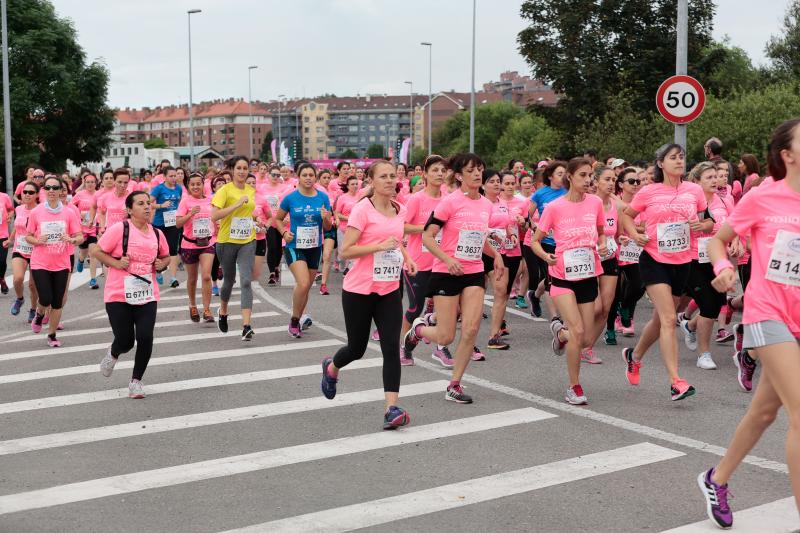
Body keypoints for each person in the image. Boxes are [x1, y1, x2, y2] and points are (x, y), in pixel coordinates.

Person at [697, 118, 800, 528]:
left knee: (763, 413)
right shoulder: (762, 197)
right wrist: (722, 268)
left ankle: (715, 478)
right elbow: (717, 240)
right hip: (766, 312)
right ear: (788, 155)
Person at [320, 160, 417, 429]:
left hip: (389, 289)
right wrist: (377, 246)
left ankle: (391, 408)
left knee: (390, 349)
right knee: (357, 348)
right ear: (371, 181)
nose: (389, 180)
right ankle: (332, 367)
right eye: (383, 176)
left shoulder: (401, 209)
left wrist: (407, 257)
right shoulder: (362, 210)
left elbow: (396, 239)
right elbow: (346, 251)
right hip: (359, 290)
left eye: (392, 176)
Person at [403, 153, 502, 404]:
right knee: (446, 336)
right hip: (446, 272)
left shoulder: (486, 205)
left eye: (480, 169)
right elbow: (427, 236)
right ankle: (419, 330)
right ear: (459, 176)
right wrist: (447, 260)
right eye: (471, 170)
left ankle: (454, 384)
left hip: (473, 272)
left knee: (470, 329)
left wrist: (497, 255)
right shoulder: (450, 202)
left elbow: (478, 239)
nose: (478, 174)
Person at [620, 143, 710, 401]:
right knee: (670, 319)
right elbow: (627, 215)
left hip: (683, 261)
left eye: (682, 157)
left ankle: (634, 356)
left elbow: (709, 221)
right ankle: (676, 381)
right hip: (654, 259)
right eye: (673, 158)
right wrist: (635, 234)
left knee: (662, 320)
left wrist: (700, 225)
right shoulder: (648, 192)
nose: (679, 161)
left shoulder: (694, 191)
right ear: (661, 163)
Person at [532, 158, 606, 404]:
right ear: (570, 177)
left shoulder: (595, 203)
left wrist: (603, 245)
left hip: (587, 274)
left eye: (590, 176)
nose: (588, 180)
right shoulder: (554, 207)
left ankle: (560, 335)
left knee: (583, 338)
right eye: (583, 175)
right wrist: (546, 256)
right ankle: (574, 387)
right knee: (578, 330)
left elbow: (602, 232)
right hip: (562, 276)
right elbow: (535, 240)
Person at [94, 191, 169, 399]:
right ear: (129, 209)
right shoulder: (120, 229)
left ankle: (136, 381)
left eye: (148, 203)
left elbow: (165, 257)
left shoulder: (157, 234)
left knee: (145, 337)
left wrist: (162, 264)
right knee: (126, 340)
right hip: (119, 294)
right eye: (141, 204)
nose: (147, 207)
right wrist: (117, 263)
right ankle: (113, 353)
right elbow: (97, 251)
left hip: (146, 294)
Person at [678, 162, 733, 370]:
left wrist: (735, 241)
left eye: (716, 176)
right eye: (709, 177)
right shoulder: (690, 202)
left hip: (716, 260)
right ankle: (704, 354)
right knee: (708, 304)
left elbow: (733, 225)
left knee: (715, 304)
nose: (715, 180)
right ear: (696, 181)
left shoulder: (723, 201)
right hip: (693, 259)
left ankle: (690, 325)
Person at [275, 162, 333, 337]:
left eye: (311, 175)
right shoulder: (290, 198)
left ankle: (298, 319)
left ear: (315, 177)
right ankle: (294, 319)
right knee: (303, 282)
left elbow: (329, 226)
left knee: (306, 287)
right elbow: (277, 219)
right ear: (298, 178)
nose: (308, 178)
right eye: (304, 175)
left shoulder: (323, 197)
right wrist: (284, 232)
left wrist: (326, 218)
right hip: (294, 246)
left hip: (315, 246)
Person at [25, 176, 83, 346]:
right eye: (48, 188)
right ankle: (39, 313)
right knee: (45, 298)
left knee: (57, 302)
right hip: (40, 262)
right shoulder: (36, 212)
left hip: (62, 262)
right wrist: (38, 241)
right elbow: (28, 236)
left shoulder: (69, 212)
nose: (51, 191)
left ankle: (51, 335)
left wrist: (72, 240)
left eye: (55, 188)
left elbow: (79, 236)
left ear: (60, 191)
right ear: (44, 191)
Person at [400, 154, 446, 366]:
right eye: (435, 170)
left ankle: (441, 347)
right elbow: (403, 227)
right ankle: (404, 347)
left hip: (441, 263)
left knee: (446, 308)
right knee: (414, 307)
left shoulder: (448, 198)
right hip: (418, 262)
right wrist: (427, 229)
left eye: (442, 170)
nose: (439, 174)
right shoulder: (417, 199)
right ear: (425, 174)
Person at [211, 155, 257, 340]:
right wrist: (236, 204)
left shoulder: (251, 190)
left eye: (245, 168)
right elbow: (214, 216)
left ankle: (246, 325)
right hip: (227, 241)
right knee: (229, 281)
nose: (242, 171)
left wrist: (256, 221)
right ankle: (223, 311)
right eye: (238, 168)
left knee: (246, 281)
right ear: (232, 169)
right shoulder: (224, 190)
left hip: (247, 240)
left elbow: (248, 212)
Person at [582, 165, 620, 364]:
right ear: (595, 182)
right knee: (594, 308)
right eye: (607, 179)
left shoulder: (617, 205)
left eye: (613, 179)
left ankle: (587, 348)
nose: (611, 183)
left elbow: (620, 233)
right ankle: (571, 333)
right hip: (589, 258)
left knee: (605, 308)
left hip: (610, 258)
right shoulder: (587, 203)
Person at [176, 172, 217, 323]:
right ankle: (192, 305)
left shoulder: (211, 200)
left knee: (206, 276)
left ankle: (207, 309)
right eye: (192, 184)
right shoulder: (185, 202)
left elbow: (216, 217)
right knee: (192, 278)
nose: (195, 187)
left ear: (203, 185)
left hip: (207, 242)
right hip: (189, 244)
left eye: (198, 184)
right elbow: (178, 224)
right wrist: (190, 214)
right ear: (188, 186)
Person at [483, 169, 517, 350]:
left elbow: (508, 223)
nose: (497, 184)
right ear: (483, 185)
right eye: (492, 181)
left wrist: (511, 234)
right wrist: (491, 233)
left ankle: (494, 336)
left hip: (500, 252)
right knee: (472, 296)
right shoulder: (479, 203)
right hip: (479, 252)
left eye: (498, 181)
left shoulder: (503, 203)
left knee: (501, 291)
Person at [8, 181, 39, 321]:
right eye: (25, 192)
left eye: (31, 192)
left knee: (33, 286)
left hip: (36, 252)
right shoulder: (19, 209)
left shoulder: (39, 211)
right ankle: (20, 299)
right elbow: (17, 225)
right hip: (19, 249)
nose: (27, 194)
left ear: (37, 195)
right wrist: (10, 239)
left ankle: (33, 309)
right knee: (17, 279)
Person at [149, 166, 183, 288]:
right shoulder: (159, 189)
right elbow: (147, 203)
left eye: (175, 176)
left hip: (173, 223)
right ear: (165, 177)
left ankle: (173, 278)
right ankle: (158, 270)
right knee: (158, 251)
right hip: (159, 223)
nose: (174, 178)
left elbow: (181, 203)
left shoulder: (179, 189)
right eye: (171, 176)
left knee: (173, 250)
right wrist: (161, 205)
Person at [71, 172, 99, 286]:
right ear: (84, 183)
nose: (90, 184)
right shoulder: (79, 194)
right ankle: (81, 260)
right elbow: (71, 207)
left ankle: (93, 279)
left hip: (94, 227)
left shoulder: (99, 194)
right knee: (83, 252)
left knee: (93, 253)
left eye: (92, 182)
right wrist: (79, 214)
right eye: (88, 182)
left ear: (96, 183)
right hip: (82, 228)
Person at [316, 169, 337, 295]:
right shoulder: (316, 192)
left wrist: (336, 218)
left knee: (327, 255)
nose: (327, 180)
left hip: (329, 225)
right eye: (324, 177)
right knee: (315, 255)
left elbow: (336, 210)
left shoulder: (333, 193)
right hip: (317, 225)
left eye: (328, 177)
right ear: (319, 179)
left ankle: (323, 284)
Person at [334, 175, 359, 274]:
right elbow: (337, 213)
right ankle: (341, 265)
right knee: (342, 252)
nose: (355, 186)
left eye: (357, 184)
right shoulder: (342, 198)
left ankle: (349, 270)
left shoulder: (361, 197)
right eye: (352, 184)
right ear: (348, 186)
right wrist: (348, 218)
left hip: (356, 229)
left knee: (353, 251)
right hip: (343, 228)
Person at [0, 186, 13, 294]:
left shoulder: (4, 197)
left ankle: (1, 278)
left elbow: (11, 210)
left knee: (2, 260)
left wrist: (9, 216)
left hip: (2, 235)